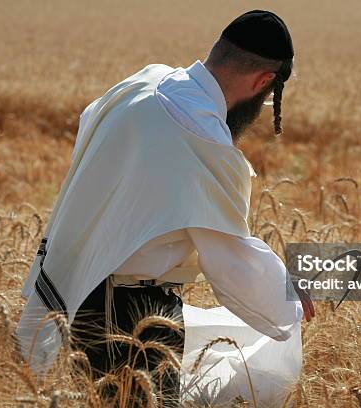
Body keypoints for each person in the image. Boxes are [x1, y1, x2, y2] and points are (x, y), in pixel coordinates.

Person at [16, 9, 315, 406]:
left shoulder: (144, 81)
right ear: (263, 82)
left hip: (84, 289)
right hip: (127, 315)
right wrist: (288, 297)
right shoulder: (199, 129)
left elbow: (91, 124)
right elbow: (227, 255)